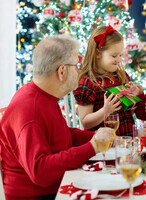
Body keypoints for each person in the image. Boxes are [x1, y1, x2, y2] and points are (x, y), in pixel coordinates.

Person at [0, 36, 114, 200]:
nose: (80, 71)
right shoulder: (29, 108)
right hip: (40, 195)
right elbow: (40, 172)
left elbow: (60, 133)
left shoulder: (43, 96)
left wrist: (98, 138)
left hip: (57, 185)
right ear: (62, 71)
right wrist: (93, 146)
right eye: (76, 66)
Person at [73, 25, 134, 136]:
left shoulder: (121, 76)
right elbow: (85, 122)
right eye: (114, 55)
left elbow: (126, 114)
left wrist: (133, 102)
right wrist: (106, 111)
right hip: (103, 147)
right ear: (97, 54)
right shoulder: (88, 83)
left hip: (125, 141)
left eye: (120, 55)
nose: (119, 60)